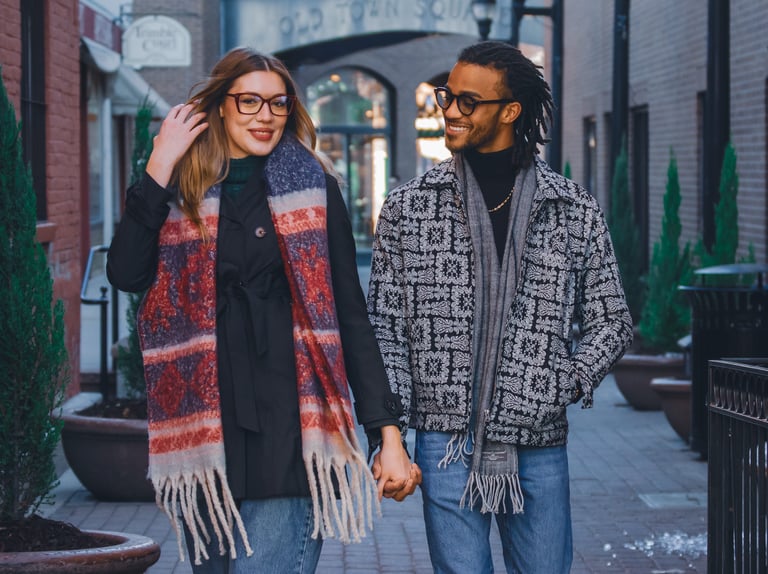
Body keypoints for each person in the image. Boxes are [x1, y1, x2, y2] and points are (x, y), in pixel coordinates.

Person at [107, 47, 420, 573]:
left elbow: (348, 314)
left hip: (291, 423)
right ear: (221, 106)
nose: (264, 115)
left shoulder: (315, 188)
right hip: (205, 429)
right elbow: (126, 274)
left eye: (278, 103)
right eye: (249, 100)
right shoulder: (179, 186)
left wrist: (386, 434)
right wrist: (160, 164)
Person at [367, 41, 633, 573]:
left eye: (468, 101)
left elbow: (612, 320)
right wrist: (388, 435)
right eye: (446, 96)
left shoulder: (570, 207)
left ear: (510, 111)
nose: (449, 110)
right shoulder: (408, 208)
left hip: (536, 443)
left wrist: (562, 382)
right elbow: (386, 330)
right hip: (444, 441)